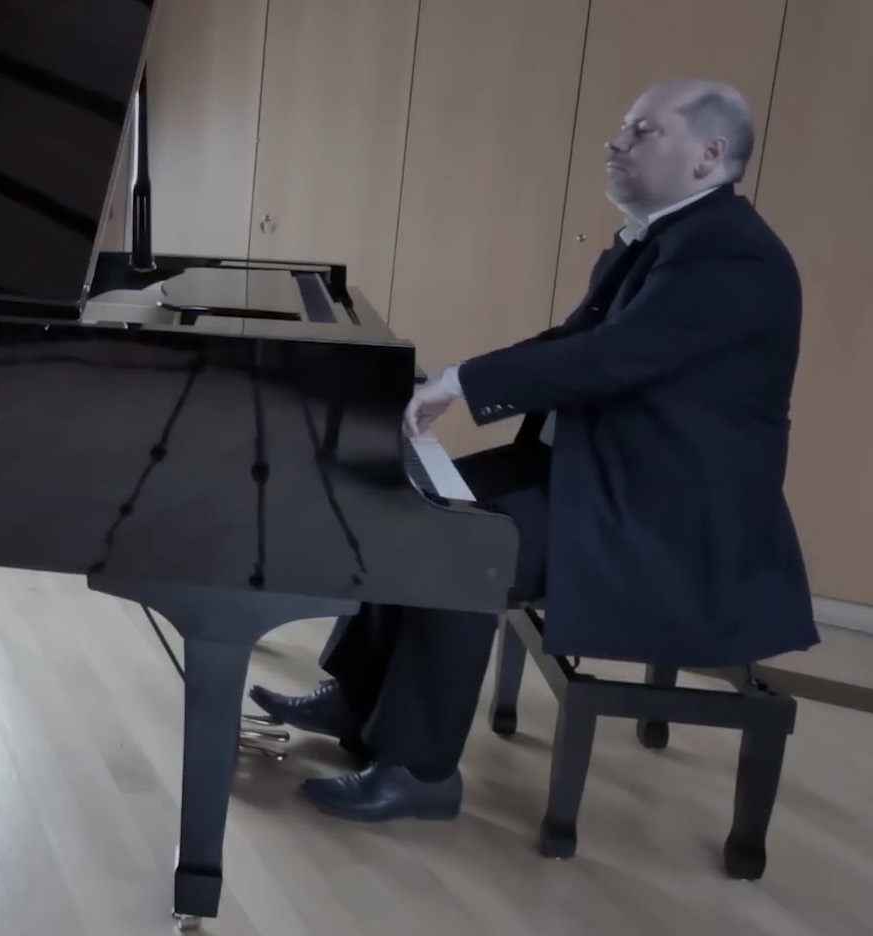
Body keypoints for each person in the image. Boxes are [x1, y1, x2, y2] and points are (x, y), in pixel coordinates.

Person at [248, 78, 819, 823]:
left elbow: (609, 358)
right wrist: (455, 380)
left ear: (708, 156)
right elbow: (574, 341)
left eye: (643, 130)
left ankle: (419, 771)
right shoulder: (672, 236)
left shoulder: (728, 253)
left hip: (665, 515)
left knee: (459, 549)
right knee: (414, 504)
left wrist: (461, 383)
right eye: (623, 126)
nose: (616, 141)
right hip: (601, 470)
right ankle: (357, 700)